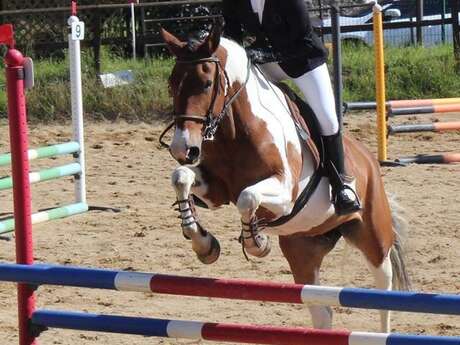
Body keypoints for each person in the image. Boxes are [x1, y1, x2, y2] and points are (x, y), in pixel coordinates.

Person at [222, 0, 361, 216]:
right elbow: (232, 36)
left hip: (304, 61)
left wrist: (267, 55)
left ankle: (340, 183)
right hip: (267, 63)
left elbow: (304, 41)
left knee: (327, 119)